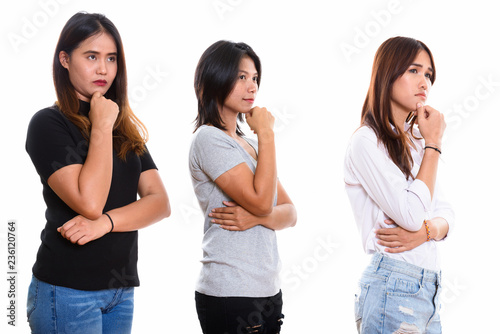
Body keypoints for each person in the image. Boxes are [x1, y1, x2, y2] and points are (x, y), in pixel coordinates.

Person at [25, 12, 170, 333]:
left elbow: (160, 203)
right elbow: (89, 202)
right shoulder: (49, 124)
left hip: (120, 291)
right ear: (64, 59)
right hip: (66, 292)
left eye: (111, 58)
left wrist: (106, 223)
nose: (103, 69)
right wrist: (102, 124)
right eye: (91, 56)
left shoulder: (123, 126)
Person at [344, 36, 454, 333]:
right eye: (414, 71)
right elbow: (411, 214)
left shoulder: (417, 142)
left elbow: (446, 213)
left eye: (429, 74)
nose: (425, 82)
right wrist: (434, 143)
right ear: (387, 74)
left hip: (429, 289)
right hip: (393, 286)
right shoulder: (366, 141)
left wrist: (425, 232)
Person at [189, 40, 297, 334]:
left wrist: (258, 218)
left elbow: (289, 213)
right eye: (241, 77)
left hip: (268, 289)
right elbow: (264, 202)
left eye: (255, 78)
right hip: (230, 292)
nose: (252, 87)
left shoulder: (249, 145)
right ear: (215, 79)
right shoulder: (208, 139)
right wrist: (266, 132)